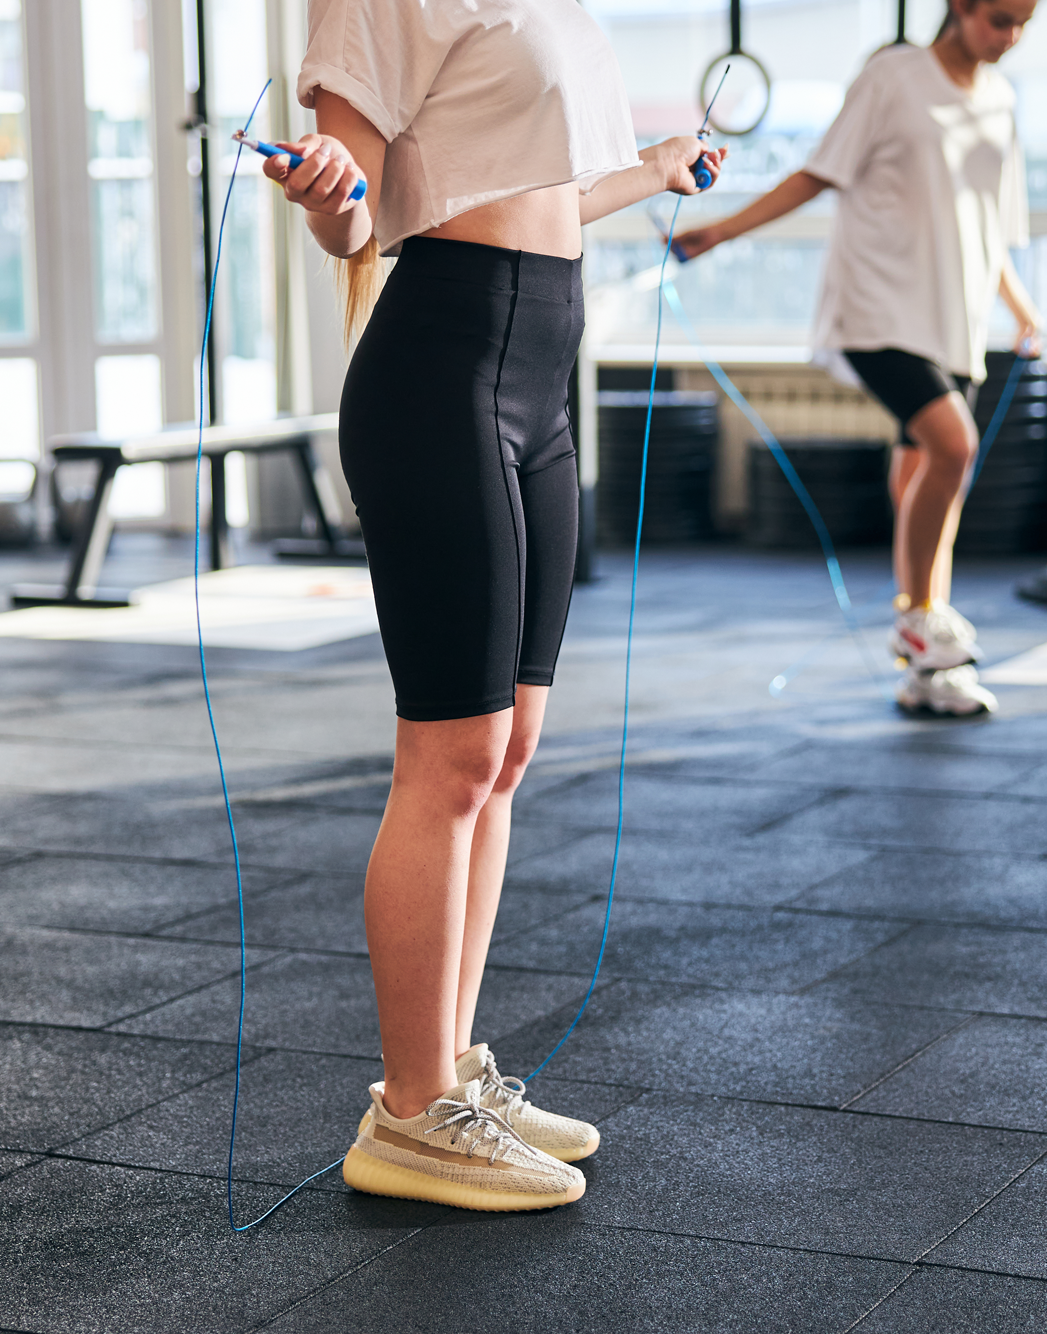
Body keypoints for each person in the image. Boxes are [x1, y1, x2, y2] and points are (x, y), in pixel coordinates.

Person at [262, 0, 726, 1211]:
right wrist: (324, 191)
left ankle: (453, 1067)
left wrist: (652, 171)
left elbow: (538, 202)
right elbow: (359, 213)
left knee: (509, 748)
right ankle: (408, 1113)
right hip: (441, 370)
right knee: (451, 754)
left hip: (539, 377)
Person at [675, 0, 1041, 717]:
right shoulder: (894, 78)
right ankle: (924, 621)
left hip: (953, 318)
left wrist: (1022, 311)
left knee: (926, 479)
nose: (1011, 38)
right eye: (1000, 19)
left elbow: (990, 225)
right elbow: (818, 173)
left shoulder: (1000, 99)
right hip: (880, 310)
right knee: (952, 446)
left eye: (1024, 23)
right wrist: (719, 233)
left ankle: (924, 667)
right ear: (960, 8)